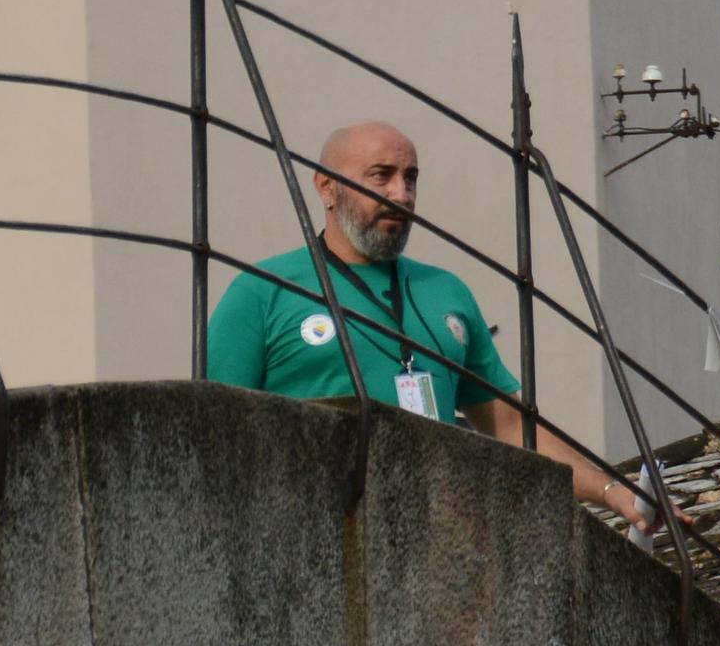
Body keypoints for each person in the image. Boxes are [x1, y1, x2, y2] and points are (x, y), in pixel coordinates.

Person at [204, 118, 648, 524]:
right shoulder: (262, 290)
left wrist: (611, 493)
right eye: (381, 175)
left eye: (410, 178)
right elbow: (216, 433)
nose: (401, 194)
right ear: (326, 188)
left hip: (433, 539)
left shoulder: (447, 291)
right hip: (311, 531)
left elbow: (510, 427)